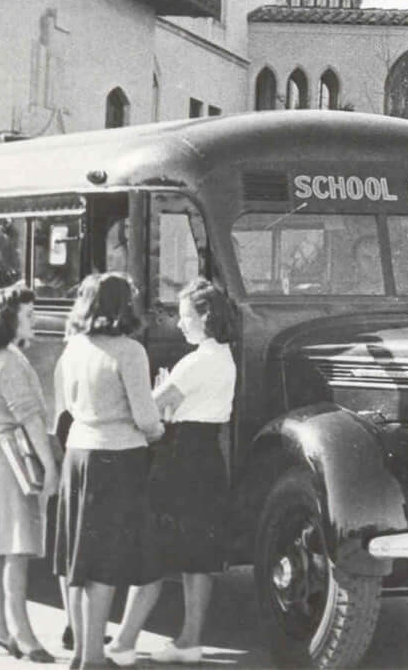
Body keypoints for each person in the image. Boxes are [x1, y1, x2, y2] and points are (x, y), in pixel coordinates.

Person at [111, 280, 239, 664]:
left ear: (206, 317)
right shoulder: (224, 358)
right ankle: (189, 641)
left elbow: (151, 408)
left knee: (152, 549)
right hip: (208, 457)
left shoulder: (195, 362)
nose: (179, 324)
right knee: (198, 556)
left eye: (185, 317)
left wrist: (159, 393)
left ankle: (123, 642)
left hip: (180, 458)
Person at [51, 273, 164, 668]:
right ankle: (95, 659)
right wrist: (159, 430)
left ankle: (82, 652)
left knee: (80, 560)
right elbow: (145, 416)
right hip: (119, 459)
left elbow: (64, 407)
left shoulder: (73, 348)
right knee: (106, 561)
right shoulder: (130, 352)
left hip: (78, 455)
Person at [0, 286, 57, 662]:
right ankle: (24, 636)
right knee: (17, 548)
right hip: (12, 461)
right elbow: (30, 419)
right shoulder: (10, 362)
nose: (35, 320)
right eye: (29, 315)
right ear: (9, 320)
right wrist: (50, 466)